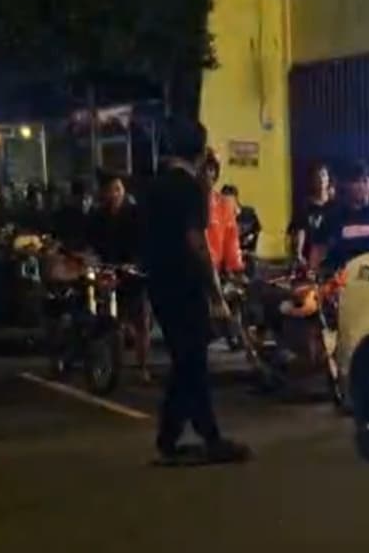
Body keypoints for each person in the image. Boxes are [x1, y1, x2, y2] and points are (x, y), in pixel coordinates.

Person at [146, 117, 250, 463]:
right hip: (185, 285)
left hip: (159, 284)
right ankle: (207, 437)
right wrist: (215, 294)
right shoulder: (188, 188)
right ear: (200, 150)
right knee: (192, 362)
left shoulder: (155, 186)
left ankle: (173, 437)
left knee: (186, 362)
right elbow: (197, 242)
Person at [84, 171, 152, 383]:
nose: (114, 194)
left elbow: (145, 242)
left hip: (133, 273)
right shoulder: (97, 216)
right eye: (110, 190)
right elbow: (90, 243)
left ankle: (142, 366)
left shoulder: (135, 214)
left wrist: (136, 263)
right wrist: (90, 257)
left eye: (118, 189)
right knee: (106, 317)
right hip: (107, 271)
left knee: (141, 321)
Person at [311, 161, 369, 272]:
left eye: (365, 180)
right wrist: (315, 272)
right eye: (357, 181)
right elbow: (318, 250)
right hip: (342, 276)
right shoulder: (333, 217)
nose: (362, 186)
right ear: (346, 185)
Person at [201, 149, 245, 276]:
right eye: (202, 170)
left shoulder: (224, 205)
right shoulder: (184, 202)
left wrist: (236, 269)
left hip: (215, 274)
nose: (208, 174)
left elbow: (232, 244)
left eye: (211, 169)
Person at [288, 162, 330, 268]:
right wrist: (299, 253)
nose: (321, 179)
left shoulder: (335, 203)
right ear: (312, 180)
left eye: (323, 175)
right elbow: (301, 229)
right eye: (317, 176)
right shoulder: (305, 205)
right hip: (310, 256)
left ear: (328, 178)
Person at [221, 184, 261, 262]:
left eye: (228, 200)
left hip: (248, 258)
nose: (226, 204)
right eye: (223, 201)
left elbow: (257, 232)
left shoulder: (249, 214)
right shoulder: (221, 219)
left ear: (235, 198)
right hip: (230, 260)